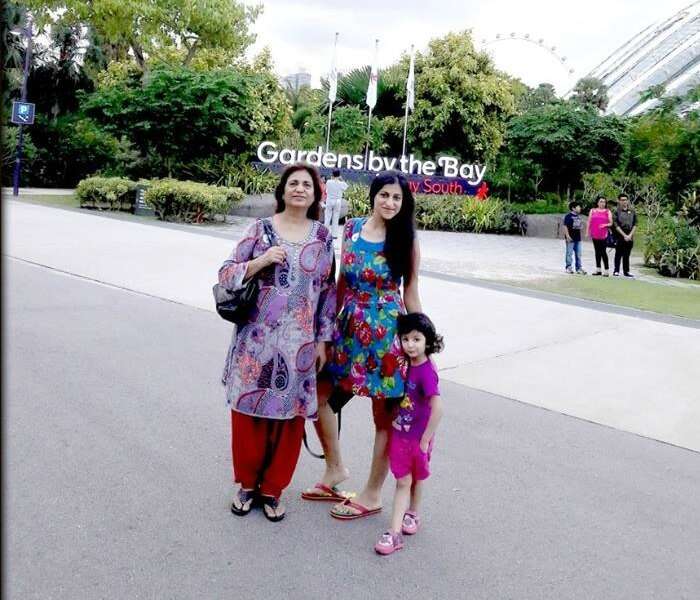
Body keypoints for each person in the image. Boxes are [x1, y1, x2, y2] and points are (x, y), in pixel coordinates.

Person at [218, 163, 336, 522]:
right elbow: (226, 273)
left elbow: (327, 291)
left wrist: (322, 340)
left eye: (307, 184)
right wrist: (259, 261)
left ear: (316, 194)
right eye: (293, 183)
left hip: (300, 344)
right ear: (283, 191)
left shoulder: (322, 236)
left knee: (289, 417)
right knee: (249, 413)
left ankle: (272, 489)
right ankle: (248, 486)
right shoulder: (261, 229)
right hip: (256, 340)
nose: (299, 189)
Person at [302, 170, 422, 520]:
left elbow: (411, 293)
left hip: (388, 337)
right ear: (373, 195)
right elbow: (341, 282)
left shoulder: (406, 240)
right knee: (319, 395)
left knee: (383, 417)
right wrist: (326, 330)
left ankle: (372, 494)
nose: (390, 202)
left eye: (397, 198)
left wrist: (422, 345)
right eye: (384, 195)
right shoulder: (352, 229)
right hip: (347, 329)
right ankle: (334, 470)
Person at [374, 312, 444, 556]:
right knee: (403, 479)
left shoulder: (426, 372)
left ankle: (412, 513)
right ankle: (395, 533)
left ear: (428, 341)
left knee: (416, 477)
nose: (410, 345)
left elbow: (438, 408)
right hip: (400, 435)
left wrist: (425, 439)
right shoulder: (403, 366)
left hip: (418, 438)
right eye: (406, 339)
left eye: (416, 339)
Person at [585, 195, 613, 276]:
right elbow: (589, 221)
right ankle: (598, 269)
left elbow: (611, 223)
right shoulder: (592, 210)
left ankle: (606, 270)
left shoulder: (607, 211)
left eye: (604, 202)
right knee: (597, 252)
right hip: (594, 234)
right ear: (597, 202)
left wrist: (605, 225)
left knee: (603, 252)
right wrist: (587, 232)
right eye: (601, 201)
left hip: (603, 234)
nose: (602, 203)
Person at [613, 193, 637, 278]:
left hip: (630, 234)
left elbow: (635, 224)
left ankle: (626, 271)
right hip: (620, 234)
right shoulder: (616, 212)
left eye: (626, 200)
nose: (624, 202)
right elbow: (616, 225)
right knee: (618, 254)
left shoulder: (632, 211)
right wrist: (624, 235)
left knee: (627, 255)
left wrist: (630, 235)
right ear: (619, 201)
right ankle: (616, 270)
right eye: (622, 200)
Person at [323, 169, 348, 240]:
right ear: (339, 175)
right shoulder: (341, 183)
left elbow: (327, 189)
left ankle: (325, 233)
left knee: (327, 217)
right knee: (335, 218)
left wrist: (333, 178)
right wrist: (341, 179)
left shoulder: (328, 182)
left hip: (330, 200)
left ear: (332, 174)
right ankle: (334, 235)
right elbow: (346, 187)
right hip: (337, 201)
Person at [563, 201, 587, 275]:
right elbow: (565, 226)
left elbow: (578, 226)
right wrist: (567, 236)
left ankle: (578, 268)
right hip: (570, 238)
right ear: (573, 208)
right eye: (578, 207)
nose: (580, 208)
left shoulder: (578, 216)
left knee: (578, 254)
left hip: (578, 238)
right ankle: (568, 267)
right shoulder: (568, 216)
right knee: (569, 253)